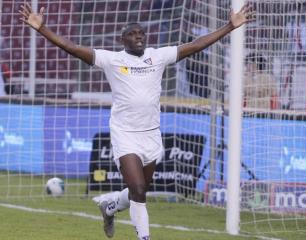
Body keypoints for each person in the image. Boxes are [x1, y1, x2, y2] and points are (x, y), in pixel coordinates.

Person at [19, 2, 254, 240]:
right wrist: (42, 29)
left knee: (137, 191)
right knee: (139, 190)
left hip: (151, 134)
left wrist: (229, 26)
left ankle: (109, 207)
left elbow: (194, 46)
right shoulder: (111, 60)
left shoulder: (157, 56)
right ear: (123, 40)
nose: (138, 37)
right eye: (132, 35)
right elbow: (72, 47)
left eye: (141, 34)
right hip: (125, 134)